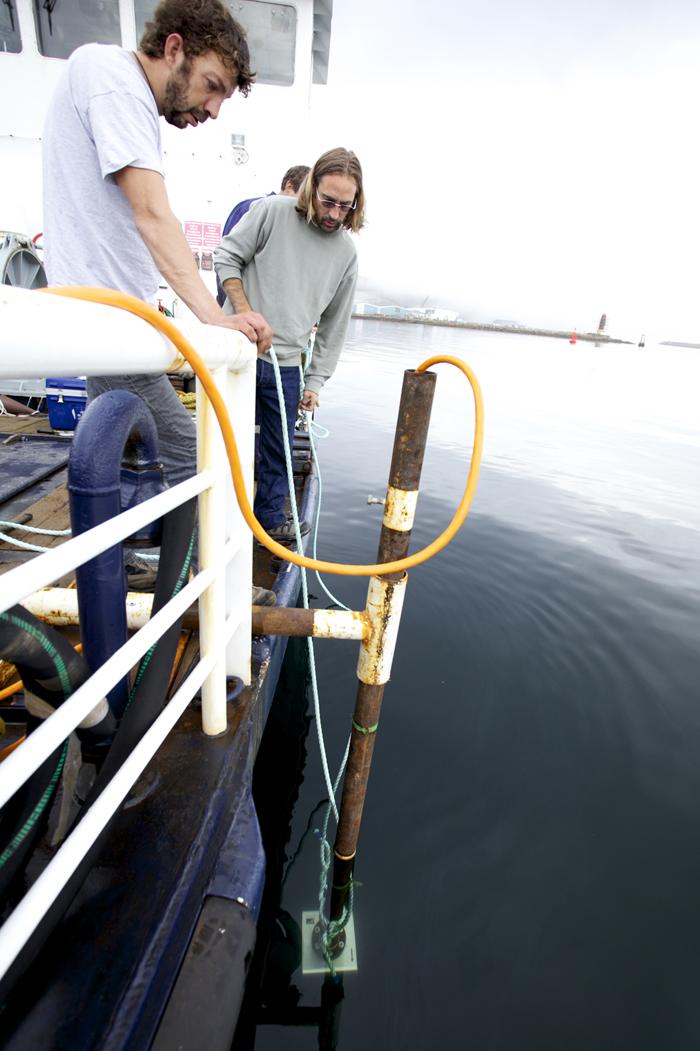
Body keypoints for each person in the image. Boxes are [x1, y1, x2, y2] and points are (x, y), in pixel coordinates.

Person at [42, 0, 275, 602]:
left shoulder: (126, 98)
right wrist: (217, 319)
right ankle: (213, 592)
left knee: (116, 457)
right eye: (212, 85)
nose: (214, 107)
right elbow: (151, 213)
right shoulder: (113, 79)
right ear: (174, 49)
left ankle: (127, 575)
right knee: (199, 456)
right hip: (106, 320)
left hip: (121, 318)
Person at [214, 147, 364, 542]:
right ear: (311, 188)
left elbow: (335, 326)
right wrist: (244, 313)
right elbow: (226, 258)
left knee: (278, 448)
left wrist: (316, 381)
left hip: (288, 367)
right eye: (327, 201)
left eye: (344, 206)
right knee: (222, 443)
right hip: (238, 353)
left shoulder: (346, 254)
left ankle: (268, 521)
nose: (333, 214)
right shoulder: (271, 212)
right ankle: (214, 522)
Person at [216, 165, 310, 305]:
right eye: (302, 198)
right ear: (289, 186)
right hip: (240, 313)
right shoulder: (251, 208)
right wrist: (233, 310)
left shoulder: (293, 223)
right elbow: (227, 261)